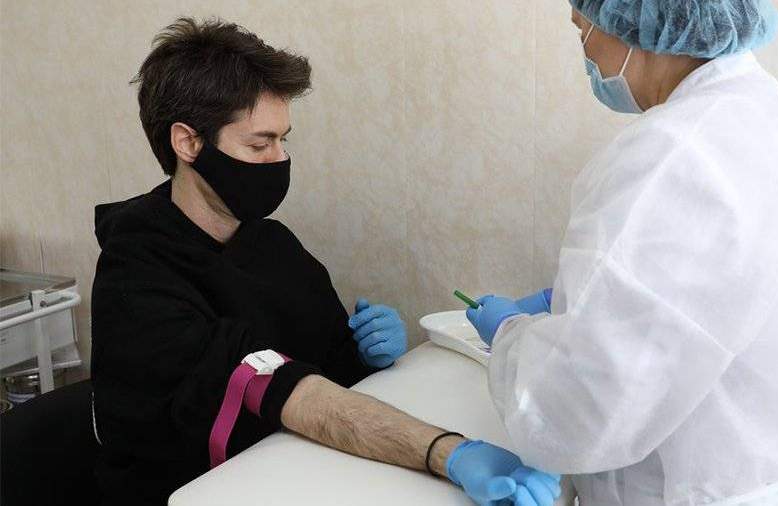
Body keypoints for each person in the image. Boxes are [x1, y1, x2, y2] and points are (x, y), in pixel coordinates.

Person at [90, 17, 560, 506]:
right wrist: (444, 451)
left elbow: (322, 362)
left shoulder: (271, 243)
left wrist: (362, 354)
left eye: (283, 140)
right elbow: (280, 388)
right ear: (188, 143)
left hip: (293, 467)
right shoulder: (136, 274)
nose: (279, 159)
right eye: (259, 144)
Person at [465, 1, 778, 504]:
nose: (587, 54)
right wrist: (587, 312)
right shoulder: (771, 116)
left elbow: (574, 416)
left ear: (634, 23)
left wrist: (510, 335)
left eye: (583, 31)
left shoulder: (674, 156)